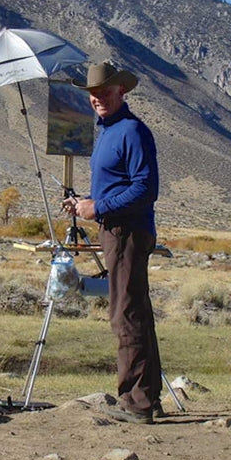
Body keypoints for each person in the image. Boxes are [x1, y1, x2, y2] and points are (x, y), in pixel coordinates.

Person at [63, 61, 163, 424]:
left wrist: (99, 206)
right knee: (135, 311)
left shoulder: (132, 131)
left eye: (104, 92)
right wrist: (86, 203)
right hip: (118, 230)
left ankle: (136, 404)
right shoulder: (109, 131)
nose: (98, 98)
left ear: (122, 91)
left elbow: (145, 189)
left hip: (127, 232)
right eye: (92, 93)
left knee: (125, 314)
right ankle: (149, 398)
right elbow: (122, 185)